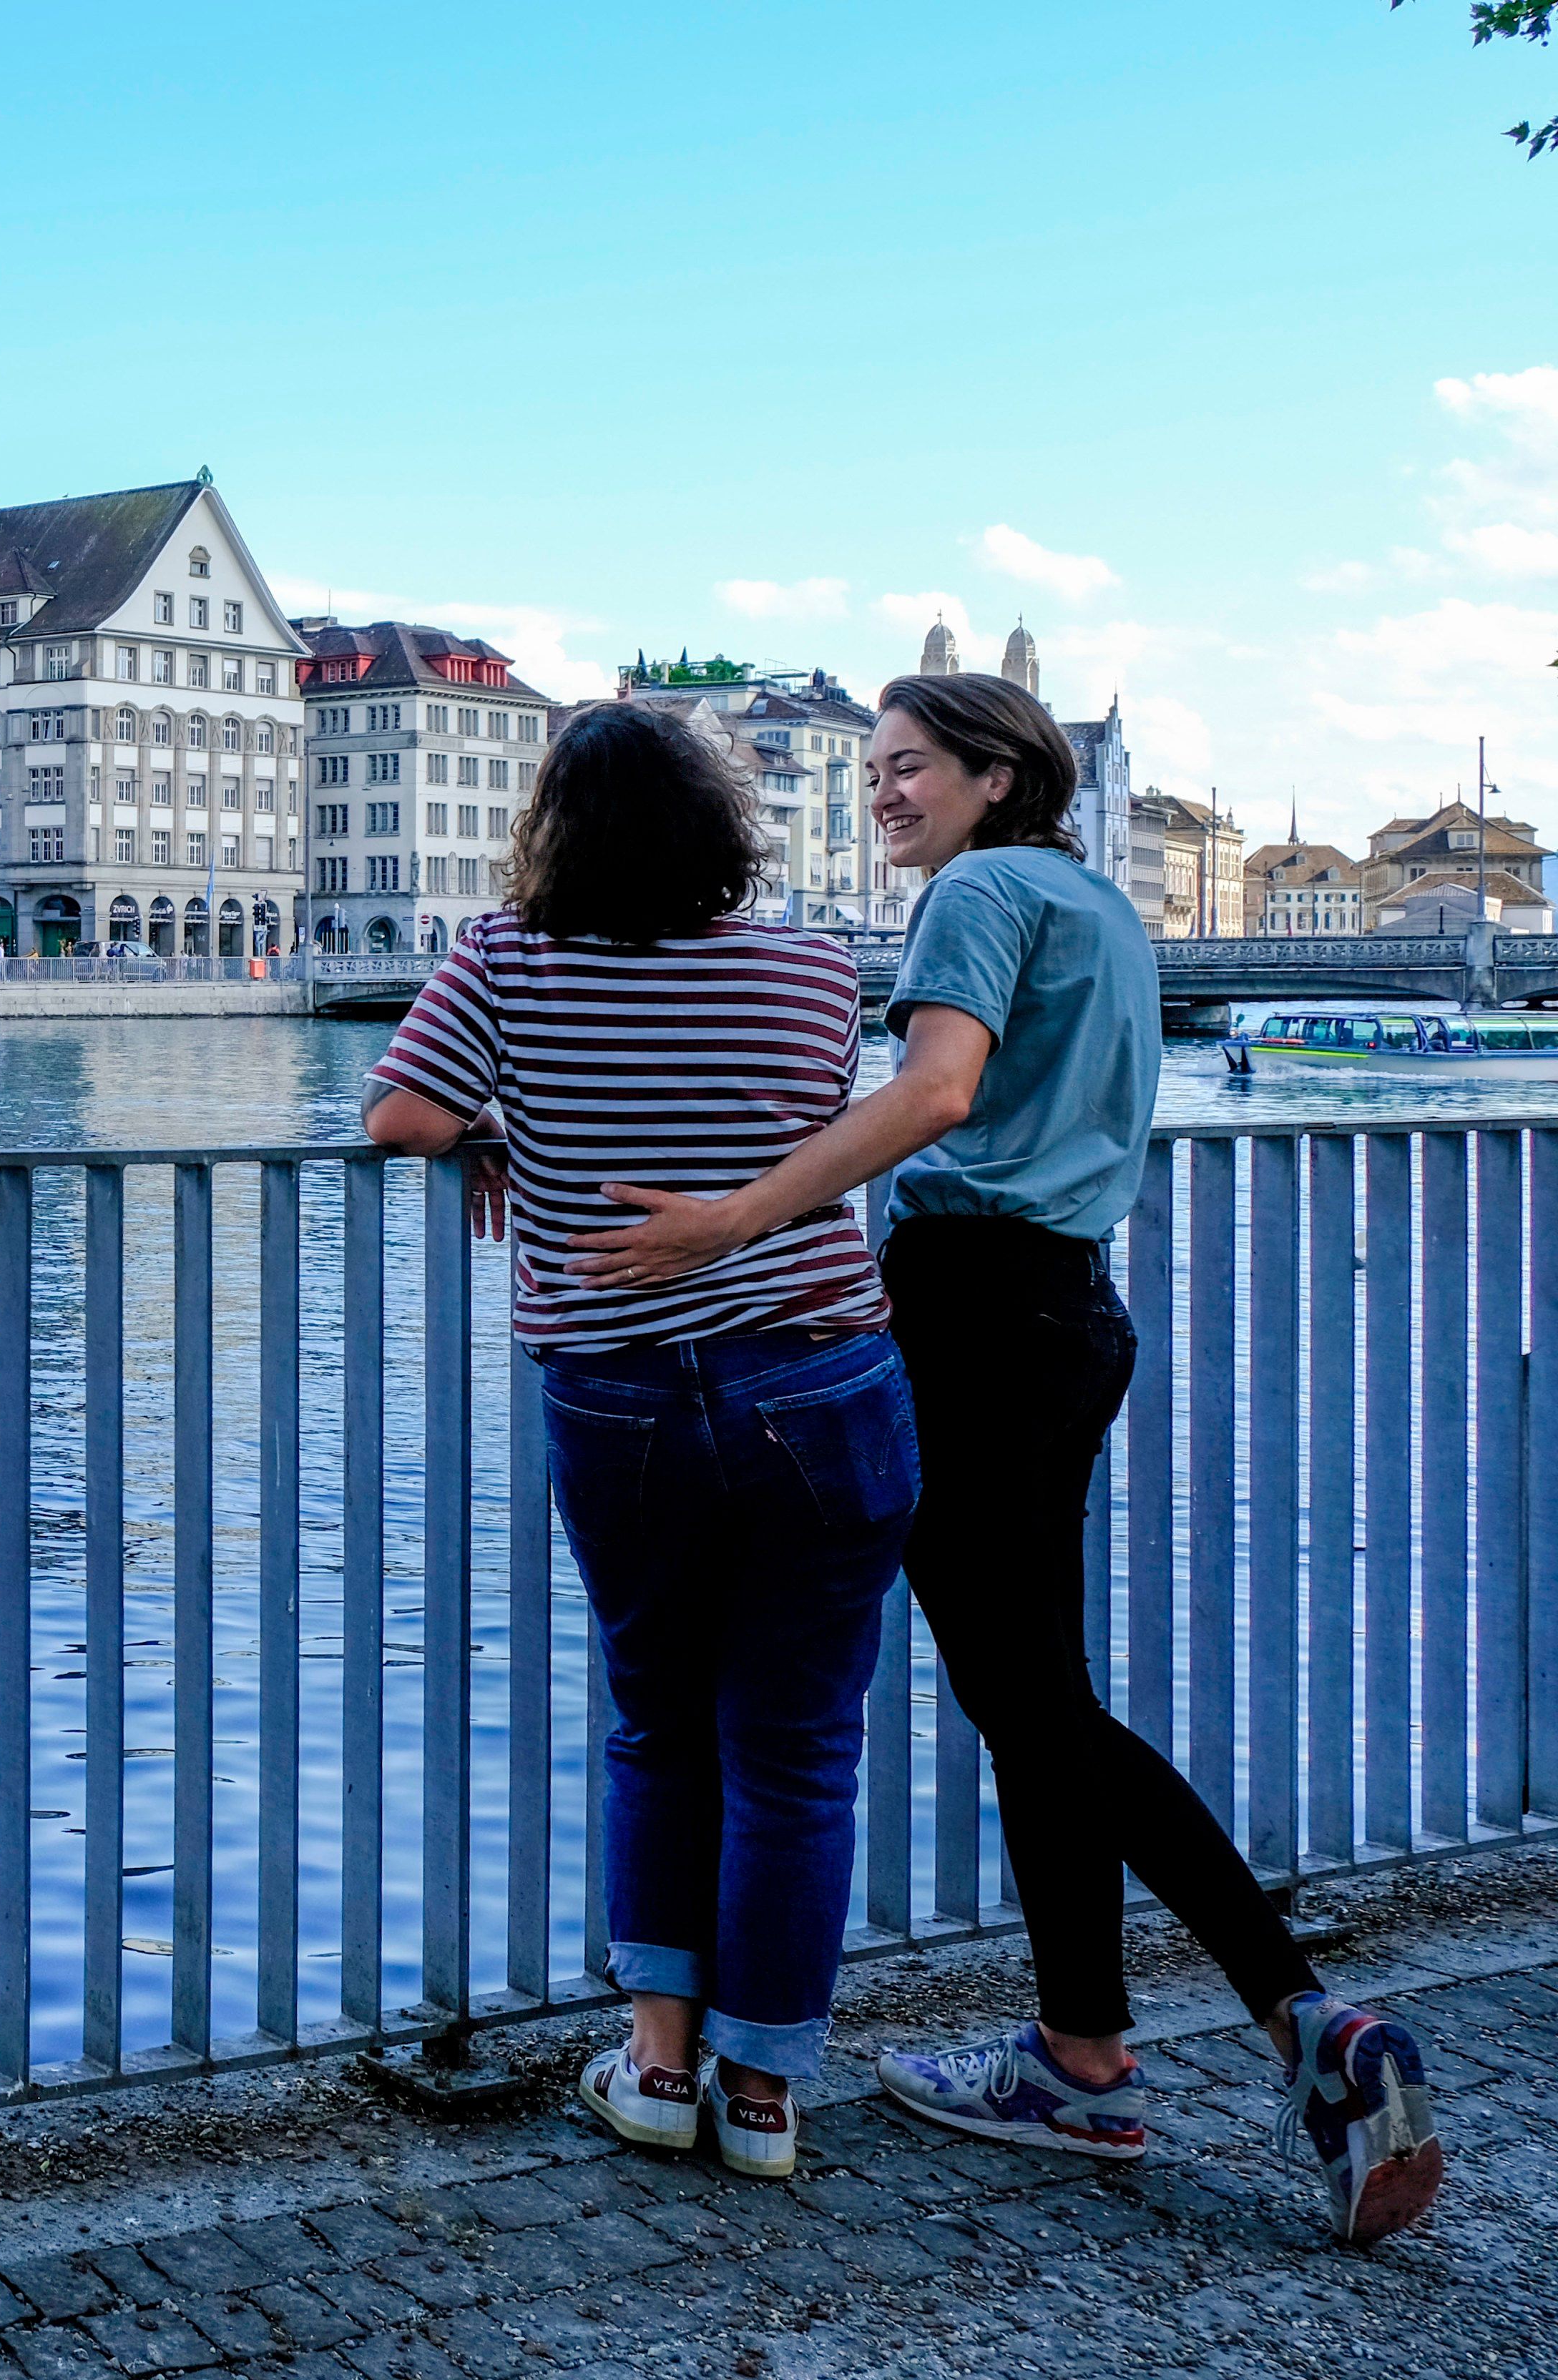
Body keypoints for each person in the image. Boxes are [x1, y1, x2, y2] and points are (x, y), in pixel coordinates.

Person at [567, 671, 1444, 2244]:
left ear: (997, 774)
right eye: (878, 771)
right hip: (1069, 1310)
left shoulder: (977, 892)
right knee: (1034, 1700)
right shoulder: (1097, 903)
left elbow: (938, 1091)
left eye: (913, 766)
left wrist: (734, 1215)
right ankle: (1082, 2056)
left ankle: (1306, 2016)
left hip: (967, 1314)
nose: (887, 793)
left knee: (1034, 1707)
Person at [363, 700, 916, 2182]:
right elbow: (802, 1130)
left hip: (619, 1385)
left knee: (659, 1719)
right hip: (819, 1375)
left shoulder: (503, 958)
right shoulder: (814, 965)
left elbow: (400, 1118)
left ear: (553, 829)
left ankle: (658, 2065)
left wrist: (498, 1128)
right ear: (721, 825)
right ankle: (764, 2094)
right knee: (800, 1746)